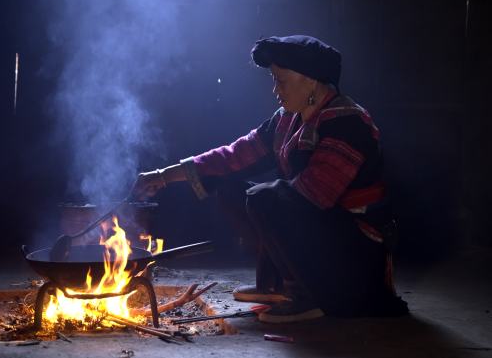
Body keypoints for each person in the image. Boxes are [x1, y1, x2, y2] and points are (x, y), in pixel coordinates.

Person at [133, 35, 408, 322]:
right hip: (319, 227)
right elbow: (233, 156)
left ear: (311, 81)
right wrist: (163, 176)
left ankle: (309, 294)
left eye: (281, 80)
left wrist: (269, 201)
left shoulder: (347, 123)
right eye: (273, 80)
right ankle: (278, 283)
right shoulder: (287, 119)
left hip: (354, 250)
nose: (275, 90)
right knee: (229, 186)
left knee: (267, 198)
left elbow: (316, 197)